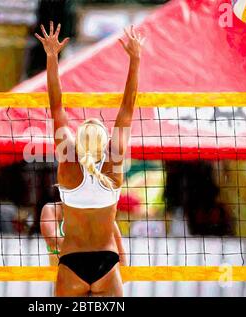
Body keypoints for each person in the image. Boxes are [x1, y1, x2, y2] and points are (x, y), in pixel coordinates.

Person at [35, 21, 143, 296]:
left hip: (72, 262)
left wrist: (51, 58)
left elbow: (56, 106)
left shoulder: (69, 165)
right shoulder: (113, 164)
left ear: (77, 141)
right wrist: (135, 59)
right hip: (107, 263)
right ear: (105, 142)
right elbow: (128, 108)